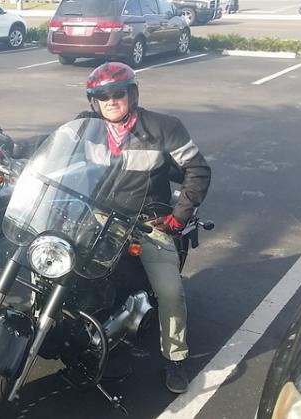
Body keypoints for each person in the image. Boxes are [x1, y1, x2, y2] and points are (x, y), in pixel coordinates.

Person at [78, 62, 211, 394]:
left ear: (132, 95)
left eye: (117, 93)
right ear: (93, 101)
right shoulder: (85, 125)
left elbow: (198, 170)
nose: (111, 101)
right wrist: (14, 154)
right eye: (102, 95)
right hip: (100, 219)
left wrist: (178, 217)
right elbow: (54, 149)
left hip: (148, 224)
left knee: (170, 292)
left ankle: (175, 357)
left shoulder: (164, 127)